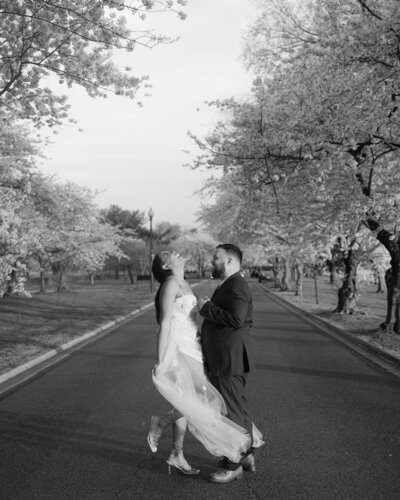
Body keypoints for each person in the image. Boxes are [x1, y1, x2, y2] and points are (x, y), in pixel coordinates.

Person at [147, 250, 252, 476]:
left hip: (194, 348)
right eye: (168, 253)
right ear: (166, 265)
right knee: (203, 397)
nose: (175, 251)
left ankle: (177, 453)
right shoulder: (170, 284)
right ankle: (163, 424)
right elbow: (165, 323)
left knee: (189, 398)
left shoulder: (183, 282)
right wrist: (161, 358)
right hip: (179, 350)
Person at [198, 243, 263, 483]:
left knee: (232, 412)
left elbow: (236, 318)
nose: (211, 262)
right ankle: (246, 455)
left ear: (230, 261)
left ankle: (233, 464)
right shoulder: (229, 284)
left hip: (229, 359)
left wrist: (206, 308)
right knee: (236, 408)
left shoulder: (237, 285)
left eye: (216, 258)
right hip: (226, 358)